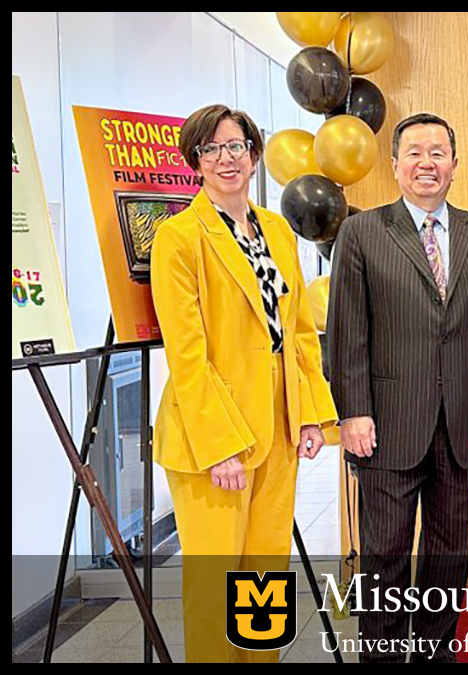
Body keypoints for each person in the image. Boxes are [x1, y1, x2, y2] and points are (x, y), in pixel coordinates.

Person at [327, 113, 468, 663]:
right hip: (387, 423)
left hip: (463, 422)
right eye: (414, 153)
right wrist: (353, 411)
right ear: (394, 166)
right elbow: (347, 332)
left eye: (438, 153)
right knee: (385, 554)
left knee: (450, 553)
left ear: (455, 165)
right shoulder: (362, 232)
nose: (426, 164)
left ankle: (436, 655)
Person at [151, 104, 338, 662]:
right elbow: (187, 357)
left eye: (236, 146)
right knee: (215, 589)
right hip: (215, 439)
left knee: (263, 581)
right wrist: (221, 447)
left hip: (277, 427)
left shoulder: (277, 229)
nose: (226, 158)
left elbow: (299, 330)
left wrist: (311, 413)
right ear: (196, 162)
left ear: (254, 154)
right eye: (212, 149)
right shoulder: (179, 237)